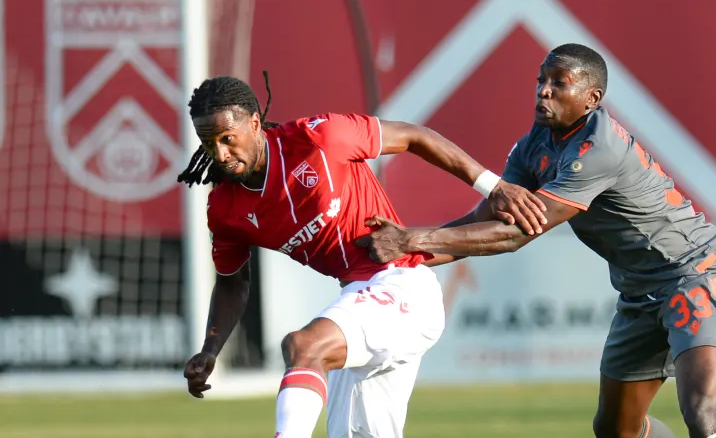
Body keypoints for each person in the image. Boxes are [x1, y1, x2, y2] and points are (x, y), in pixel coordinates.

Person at [357, 44, 716, 438]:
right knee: (616, 430)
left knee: (703, 413)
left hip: (695, 272)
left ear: (592, 99)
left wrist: (410, 241)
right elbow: (486, 220)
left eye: (558, 83)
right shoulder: (533, 146)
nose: (543, 91)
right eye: (541, 81)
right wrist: (404, 256)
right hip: (638, 292)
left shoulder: (599, 149)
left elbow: (517, 233)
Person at [176, 72, 547, 438]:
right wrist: (211, 350)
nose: (221, 154)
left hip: (404, 288)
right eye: (209, 145)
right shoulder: (225, 210)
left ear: (254, 123)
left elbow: (415, 136)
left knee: (304, 346)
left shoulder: (318, 137)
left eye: (228, 139)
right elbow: (232, 285)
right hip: (358, 299)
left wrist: (493, 186)